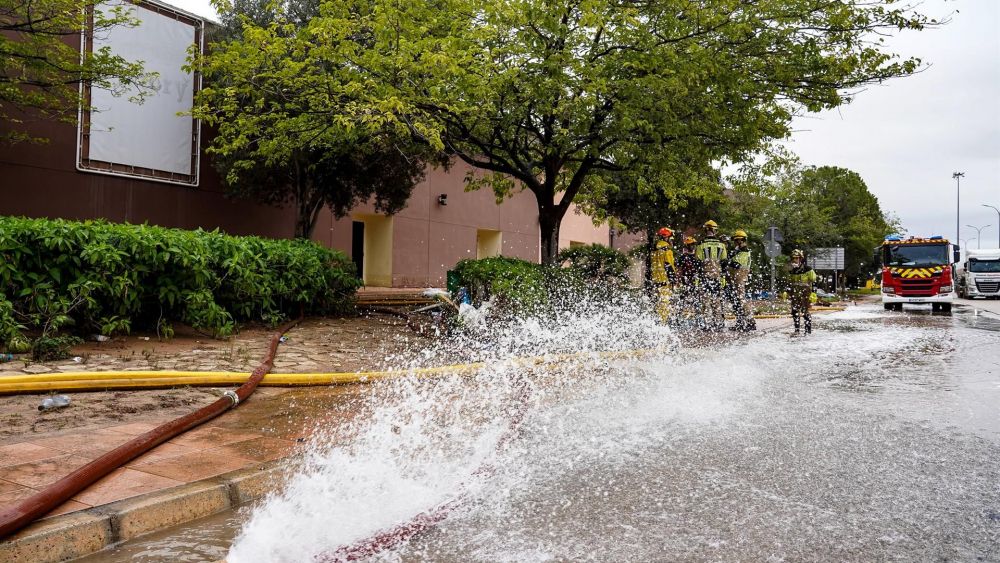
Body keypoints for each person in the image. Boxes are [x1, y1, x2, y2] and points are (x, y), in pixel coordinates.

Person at [696, 219, 728, 331]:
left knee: (706, 300)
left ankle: (707, 323)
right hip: (717, 276)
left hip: (705, 276)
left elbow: (698, 263)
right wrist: (723, 277)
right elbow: (724, 262)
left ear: (705, 230)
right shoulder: (721, 245)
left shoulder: (701, 245)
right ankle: (718, 323)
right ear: (715, 230)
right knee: (717, 300)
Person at [726, 230, 756, 332]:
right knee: (736, 301)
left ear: (741, 241)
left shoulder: (744, 251)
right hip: (735, 278)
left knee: (741, 300)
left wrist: (728, 261)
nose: (735, 243)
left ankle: (751, 322)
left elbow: (736, 265)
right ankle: (740, 322)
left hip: (739, 278)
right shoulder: (739, 251)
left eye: (736, 241)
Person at [672, 235, 703, 329]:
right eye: (691, 245)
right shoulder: (683, 257)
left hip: (695, 281)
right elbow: (679, 270)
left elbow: (700, 270)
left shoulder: (697, 257)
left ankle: (698, 319)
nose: (693, 246)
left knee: (696, 299)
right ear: (687, 246)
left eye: (693, 244)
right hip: (685, 281)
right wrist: (678, 281)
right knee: (683, 299)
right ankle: (678, 318)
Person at [786, 249, 817, 335]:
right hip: (795, 294)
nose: (794, 260)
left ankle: (808, 331)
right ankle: (797, 330)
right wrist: (786, 291)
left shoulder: (808, 269)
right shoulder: (792, 271)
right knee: (794, 311)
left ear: (800, 259)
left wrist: (814, 292)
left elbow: (814, 281)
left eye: (796, 258)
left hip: (805, 294)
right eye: (793, 258)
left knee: (805, 312)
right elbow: (789, 283)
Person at [650, 227, 676, 323]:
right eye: (671, 238)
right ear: (666, 238)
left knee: (657, 301)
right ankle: (663, 322)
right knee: (664, 302)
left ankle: (656, 321)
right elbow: (669, 266)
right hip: (665, 279)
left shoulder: (654, 250)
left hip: (655, 279)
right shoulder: (667, 250)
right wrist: (673, 279)